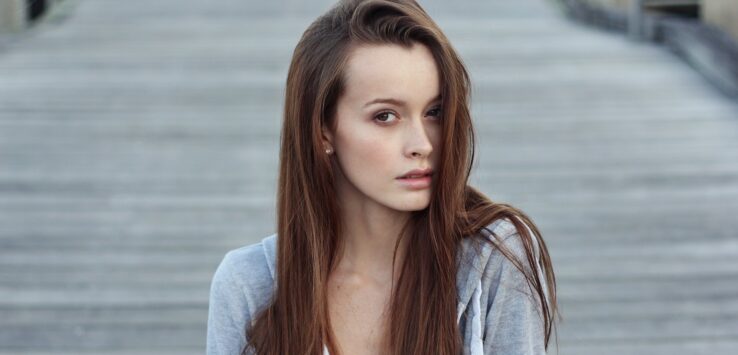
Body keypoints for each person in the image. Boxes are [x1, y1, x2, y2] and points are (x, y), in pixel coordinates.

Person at [206, 0, 559, 354]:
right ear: (323, 130)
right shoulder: (248, 285)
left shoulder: (494, 259)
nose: (422, 144)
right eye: (386, 116)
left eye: (434, 112)